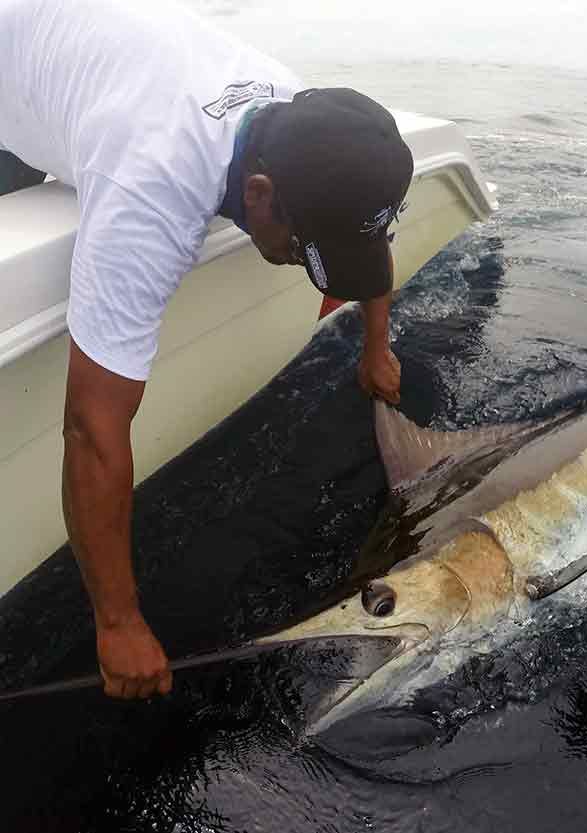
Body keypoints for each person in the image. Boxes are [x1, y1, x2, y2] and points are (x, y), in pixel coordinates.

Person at [0, 0, 414, 700]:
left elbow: (367, 237)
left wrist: (377, 345)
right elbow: (91, 429)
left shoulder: (302, 121)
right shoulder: (150, 188)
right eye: (300, 253)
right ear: (258, 194)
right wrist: (119, 621)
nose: (292, 262)